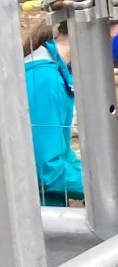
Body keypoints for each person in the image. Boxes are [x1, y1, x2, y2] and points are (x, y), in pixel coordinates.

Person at [22, 11, 83, 206]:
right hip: (34, 215)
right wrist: (103, 187)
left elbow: (60, 150)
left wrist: (99, 178)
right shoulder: (45, 79)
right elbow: (46, 170)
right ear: (112, 32)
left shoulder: (54, 71)